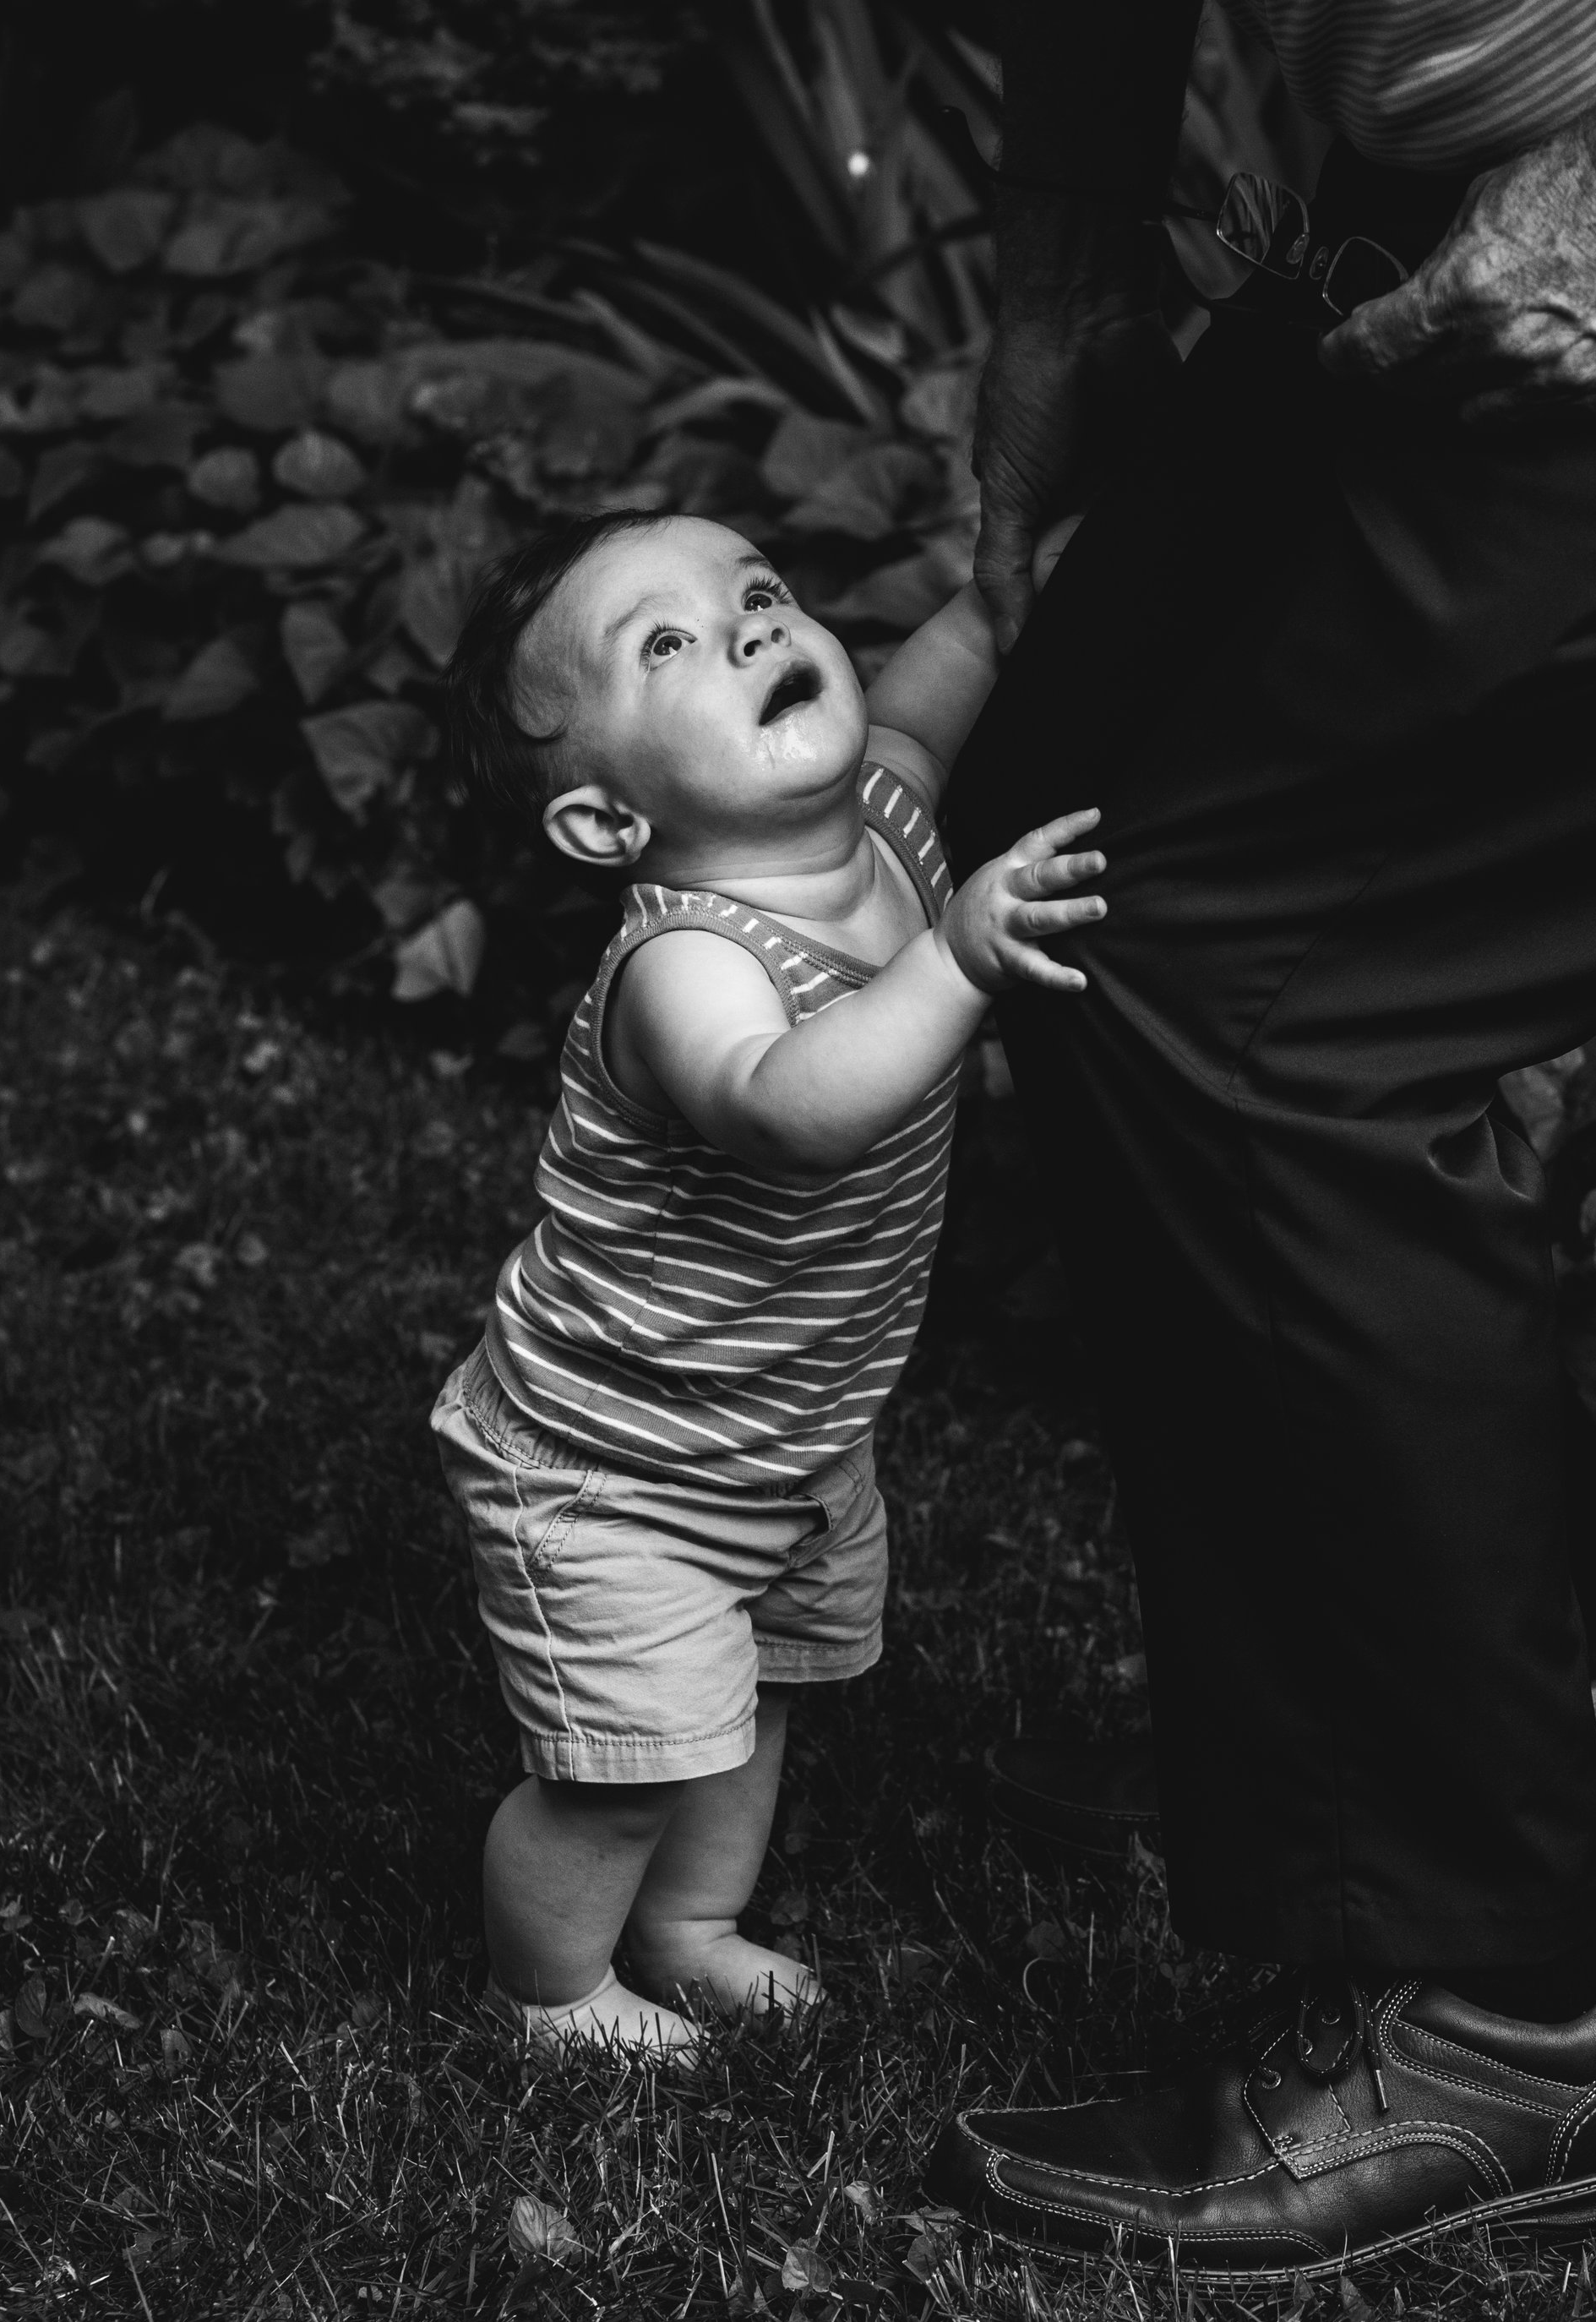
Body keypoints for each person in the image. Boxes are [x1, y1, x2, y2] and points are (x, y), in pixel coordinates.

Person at [796, 0, 1596, 2273]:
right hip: (1505, 152)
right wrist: (1065, 253)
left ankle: (1500, 2016)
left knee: (1229, 954)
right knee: (1076, 792)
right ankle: (1378, 1768)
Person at [433, 510, 1102, 2063]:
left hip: (790, 1432)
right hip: (616, 1458)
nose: (746, 631)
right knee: (628, 1762)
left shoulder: (889, 819)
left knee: (755, 1697)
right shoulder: (689, 963)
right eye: (663, 643)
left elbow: (932, 696)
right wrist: (962, 959)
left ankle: (687, 1928)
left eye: (758, 597)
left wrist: (1003, 596)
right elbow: (796, 1107)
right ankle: (546, 1995)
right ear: (607, 826)